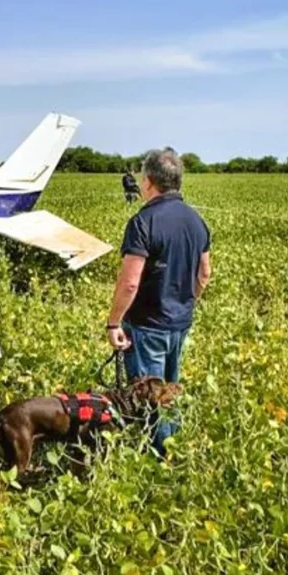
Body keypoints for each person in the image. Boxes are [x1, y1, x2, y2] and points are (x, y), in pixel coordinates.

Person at [105, 148, 211, 458]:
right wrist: (185, 304)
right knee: (169, 391)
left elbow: (130, 282)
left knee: (147, 395)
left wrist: (113, 322)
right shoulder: (196, 221)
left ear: (149, 182)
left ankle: (158, 459)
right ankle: (174, 450)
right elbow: (204, 274)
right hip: (180, 322)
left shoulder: (143, 222)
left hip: (146, 325)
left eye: (141, 178)